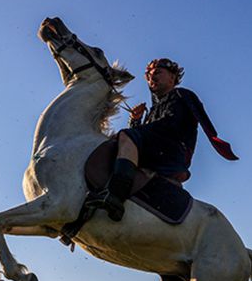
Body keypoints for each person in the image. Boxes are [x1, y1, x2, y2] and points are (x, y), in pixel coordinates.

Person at [85, 58, 210, 221]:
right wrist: (135, 121)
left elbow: (169, 126)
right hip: (159, 150)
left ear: (172, 77)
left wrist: (133, 131)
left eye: (158, 73)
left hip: (171, 153)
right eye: (149, 76)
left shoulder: (180, 95)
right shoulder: (153, 110)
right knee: (120, 142)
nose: (152, 78)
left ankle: (115, 194)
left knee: (125, 135)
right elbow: (143, 137)